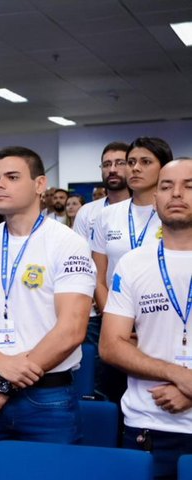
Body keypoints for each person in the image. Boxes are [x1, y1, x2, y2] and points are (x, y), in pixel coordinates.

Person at [0, 146, 95, 480]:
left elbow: (72, 329)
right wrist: (1, 368)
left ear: (40, 184)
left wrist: (4, 386)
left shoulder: (67, 242)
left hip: (47, 398)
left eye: (12, 177)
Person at [101, 159, 192, 479]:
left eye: (189, 185)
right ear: (155, 200)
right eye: (166, 186)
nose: (177, 193)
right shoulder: (133, 263)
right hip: (147, 429)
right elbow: (111, 345)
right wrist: (179, 375)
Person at [71, 142, 131, 398]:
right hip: (98, 312)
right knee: (101, 383)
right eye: (107, 165)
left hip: (144, 312)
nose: (113, 170)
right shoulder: (88, 213)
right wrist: (109, 310)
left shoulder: (152, 208)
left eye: (120, 163)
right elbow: (83, 264)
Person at [92, 137, 173, 315]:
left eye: (146, 162)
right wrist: (114, 319)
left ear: (164, 168)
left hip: (167, 313)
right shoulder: (107, 215)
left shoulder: (174, 214)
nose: (135, 168)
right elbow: (98, 279)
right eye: (131, 162)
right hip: (116, 312)